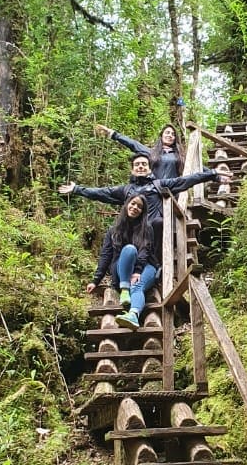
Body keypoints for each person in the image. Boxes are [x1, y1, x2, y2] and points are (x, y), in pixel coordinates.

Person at [59, 154, 229, 254]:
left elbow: (185, 180)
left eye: (144, 164)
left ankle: (156, 266)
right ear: (133, 169)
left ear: (149, 169)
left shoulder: (159, 184)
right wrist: (77, 189)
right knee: (114, 231)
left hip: (152, 232)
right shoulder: (126, 190)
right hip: (132, 233)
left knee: (158, 223)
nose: (140, 167)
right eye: (137, 165)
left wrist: (212, 173)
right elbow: (102, 193)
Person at [85, 194, 159, 330]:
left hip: (145, 267)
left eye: (139, 207)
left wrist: (137, 271)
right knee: (129, 250)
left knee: (137, 285)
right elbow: (106, 255)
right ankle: (125, 289)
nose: (135, 207)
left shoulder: (147, 228)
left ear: (143, 211)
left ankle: (133, 315)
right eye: (133, 203)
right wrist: (95, 280)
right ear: (126, 204)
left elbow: (145, 251)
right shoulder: (114, 230)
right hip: (122, 270)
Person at [95, 122, 185, 180]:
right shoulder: (152, 152)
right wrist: (113, 134)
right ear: (161, 136)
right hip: (154, 190)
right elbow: (133, 144)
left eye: (173, 134)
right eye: (167, 133)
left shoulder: (178, 155)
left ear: (175, 138)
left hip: (173, 192)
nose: (170, 135)